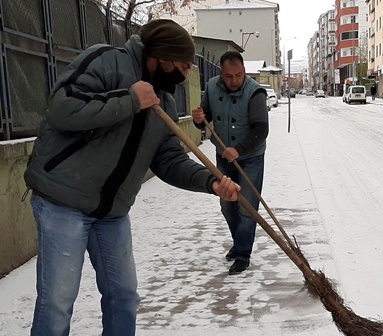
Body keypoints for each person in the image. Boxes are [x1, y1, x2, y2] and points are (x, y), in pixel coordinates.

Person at [23, 19, 240, 336]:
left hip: (112, 212)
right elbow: (63, 108)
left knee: (123, 298)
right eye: (181, 66)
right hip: (62, 202)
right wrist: (130, 99)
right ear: (162, 58)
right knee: (57, 304)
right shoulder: (105, 59)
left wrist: (211, 182)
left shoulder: (163, 101)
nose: (183, 75)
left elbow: (168, 159)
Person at [192, 51, 269, 276]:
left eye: (238, 75)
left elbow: (261, 129)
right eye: (228, 76)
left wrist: (239, 149)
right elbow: (204, 120)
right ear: (221, 74)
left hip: (251, 158)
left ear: (244, 71)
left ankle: (242, 254)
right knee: (227, 204)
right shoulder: (213, 86)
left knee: (246, 207)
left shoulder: (255, 92)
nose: (234, 80)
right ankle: (239, 241)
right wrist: (198, 120)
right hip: (223, 158)